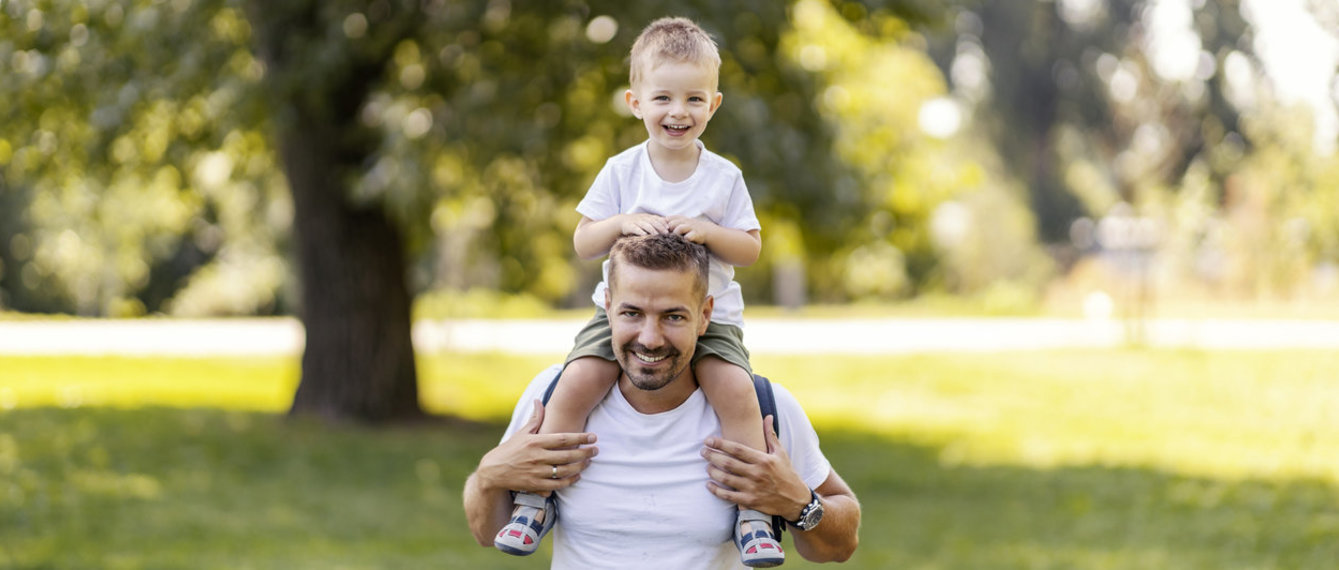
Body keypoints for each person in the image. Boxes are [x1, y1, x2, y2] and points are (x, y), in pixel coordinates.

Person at [495, 16, 777, 564]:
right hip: (619, 315)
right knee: (575, 382)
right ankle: (536, 498)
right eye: (663, 97)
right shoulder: (622, 170)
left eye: (694, 98)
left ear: (714, 105)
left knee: (738, 394)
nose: (679, 111)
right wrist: (622, 222)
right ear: (635, 101)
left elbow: (750, 248)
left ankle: (753, 513)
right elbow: (583, 242)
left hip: (707, 320)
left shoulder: (723, 178)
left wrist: (710, 232)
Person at [464, 233, 861, 569]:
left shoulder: (761, 408)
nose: (650, 338)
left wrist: (799, 502)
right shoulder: (554, 396)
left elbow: (841, 545)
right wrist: (488, 476)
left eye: (673, 316)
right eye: (632, 313)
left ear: (705, 315)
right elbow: (487, 532)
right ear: (607, 309)